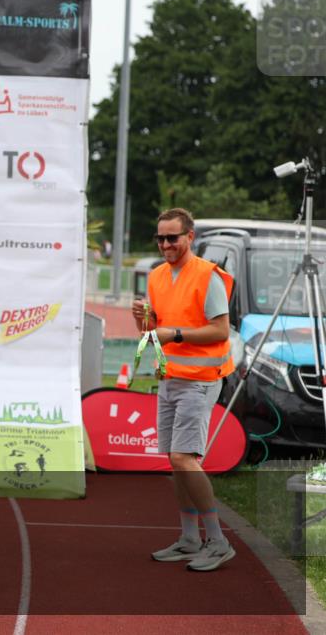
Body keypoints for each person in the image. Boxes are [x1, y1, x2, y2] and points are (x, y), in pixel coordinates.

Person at [132, 207, 236, 572]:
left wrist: (173, 333)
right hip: (170, 377)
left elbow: (220, 330)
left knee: (182, 458)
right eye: (160, 238)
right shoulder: (157, 276)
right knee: (175, 460)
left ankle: (218, 541)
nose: (165, 244)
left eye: (172, 238)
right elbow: (154, 331)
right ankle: (190, 538)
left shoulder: (208, 275)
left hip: (201, 379)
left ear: (190, 237)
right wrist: (143, 321)